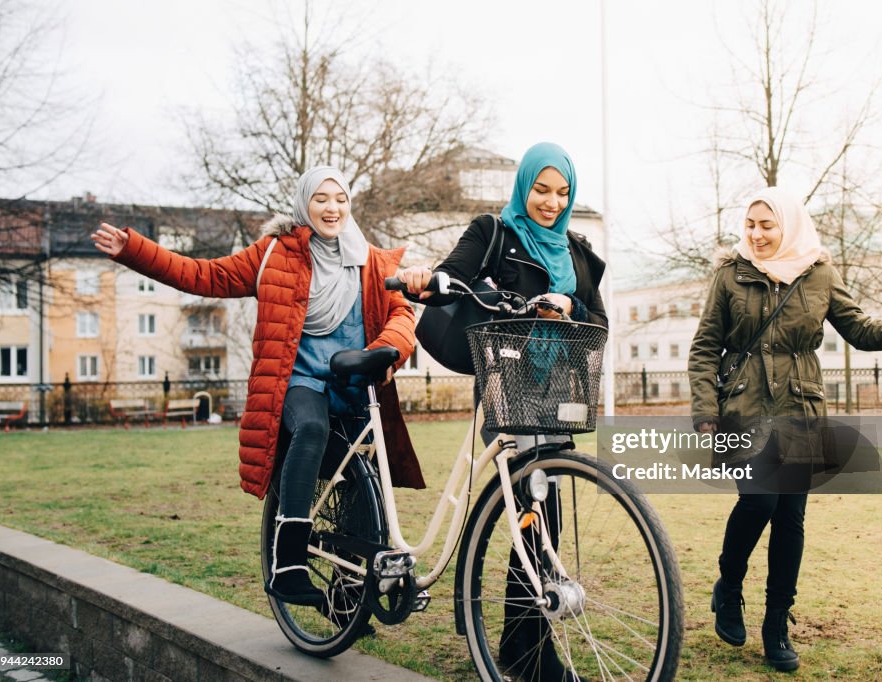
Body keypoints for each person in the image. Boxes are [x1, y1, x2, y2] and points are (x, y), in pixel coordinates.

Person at [91, 166, 424, 606]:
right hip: (301, 381)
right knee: (311, 429)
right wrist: (135, 250)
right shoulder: (273, 254)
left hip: (356, 383)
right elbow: (203, 275)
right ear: (304, 202)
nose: (332, 208)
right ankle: (287, 563)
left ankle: (352, 590)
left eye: (340, 198)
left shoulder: (373, 261)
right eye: (321, 198)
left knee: (363, 491)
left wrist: (388, 350)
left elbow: (402, 315)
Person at [688, 186, 882, 672]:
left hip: (801, 409)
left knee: (790, 519)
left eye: (768, 225)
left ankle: (776, 624)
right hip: (744, 407)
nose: (758, 234)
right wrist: (706, 411)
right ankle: (729, 586)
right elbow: (705, 347)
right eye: (751, 225)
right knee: (760, 500)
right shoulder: (730, 274)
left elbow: (863, 330)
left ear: (789, 225)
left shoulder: (820, 274)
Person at [398, 142, 605, 681]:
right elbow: (451, 276)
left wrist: (570, 305)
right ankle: (526, 650)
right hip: (508, 385)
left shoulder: (577, 253)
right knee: (535, 517)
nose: (551, 202)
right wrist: (427, 278)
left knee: (543, 520)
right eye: (541, 189)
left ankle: (520, 643)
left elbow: (597, 324)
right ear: (524, 185)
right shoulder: (493, 233)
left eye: (562, 193)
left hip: (560, 391)